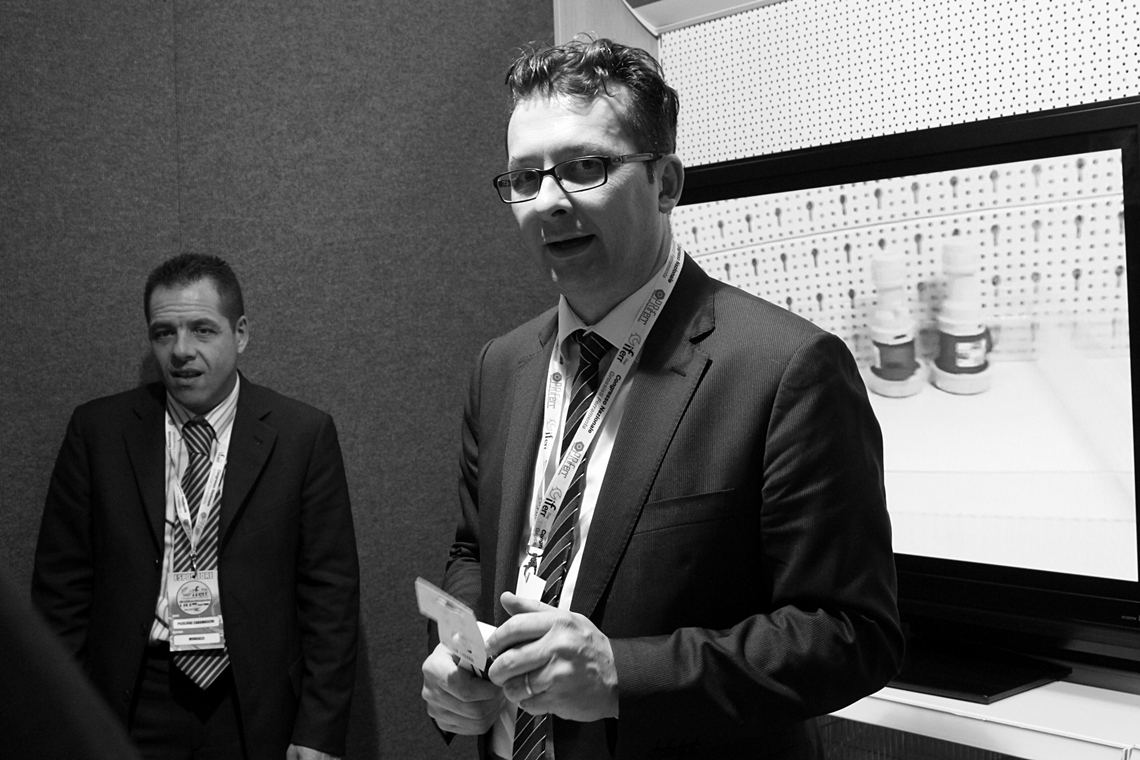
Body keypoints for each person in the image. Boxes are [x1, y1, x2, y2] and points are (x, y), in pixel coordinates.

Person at [420, 38, 903, 760]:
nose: (548, 201)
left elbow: (851, 635)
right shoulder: (502, 366)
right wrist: (457, 655)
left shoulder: (786, 370)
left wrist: (623, 674)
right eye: (525, 177)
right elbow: (475, 549)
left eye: (585, 167)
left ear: (666, 183)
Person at [32, 253, 360, 760]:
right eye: (164, 333)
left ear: (241, 334)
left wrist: (319, 731)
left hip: (252, 703)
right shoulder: (99, 433)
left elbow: (330, 597)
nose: (181, 351)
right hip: (133, 699)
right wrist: (64, 721)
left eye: (202, 330)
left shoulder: (302, 436)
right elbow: (61, 592)